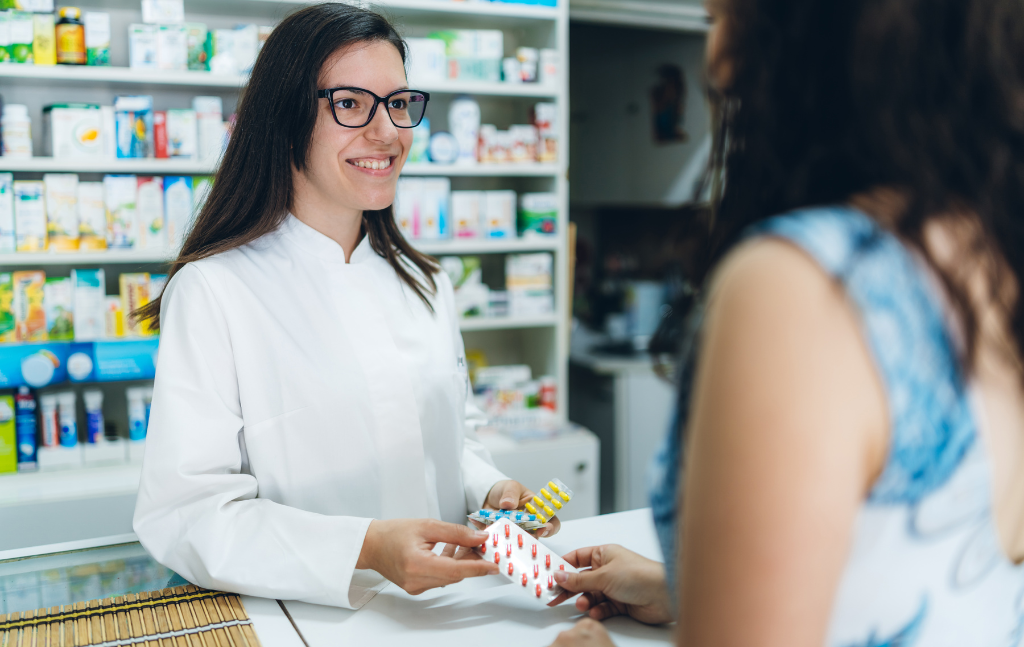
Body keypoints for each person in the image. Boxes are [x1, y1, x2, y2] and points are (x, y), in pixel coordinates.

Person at [549, 0, 1024, 644]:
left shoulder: (808, 285)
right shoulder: (984, 254)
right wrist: (687, 589)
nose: (711, 32)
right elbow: (922, 563)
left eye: (723, 12)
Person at [131, 3, 558, 609]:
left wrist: (493, 490)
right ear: (284, 118)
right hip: (307, 622)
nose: (387, 132)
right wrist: (365, 547)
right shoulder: (215, 291)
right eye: (351, 104)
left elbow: (447, 440)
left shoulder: (425, 282)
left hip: (448, 613)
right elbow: (186, 515)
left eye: (399, 103)